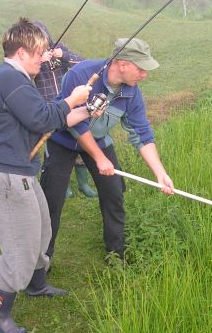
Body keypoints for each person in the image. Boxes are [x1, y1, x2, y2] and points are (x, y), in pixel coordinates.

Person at [0, 17, 94, 333]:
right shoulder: (11, 79)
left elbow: (41, 118)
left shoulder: (18, 80)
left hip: (18, 170)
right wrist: (72, 100)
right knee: (20, 245)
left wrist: (77, 113)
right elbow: (41, 116)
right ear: (22, 52)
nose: (44, 57)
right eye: (39, 52)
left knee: (41, 228)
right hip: (0, 175)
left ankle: (36, 285)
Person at [40, 37, 174, 265]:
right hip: (62, 140)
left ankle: (116, 255)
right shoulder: (81, 74)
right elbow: (76, 124)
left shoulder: (132, 93)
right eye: (141, 69)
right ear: (123, 64)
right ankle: (41, 263)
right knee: (51, 202)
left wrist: (159, 173)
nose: (144, 75)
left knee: (114, 195)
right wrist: (99, 158)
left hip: (99, 140)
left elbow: (142, 133)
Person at [32, 20, 97, 199]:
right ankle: (64, 184)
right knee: (56, 145)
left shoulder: (59, 48)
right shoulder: (32, 56)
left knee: (79, 140)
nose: (45, 45)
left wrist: (64, 55)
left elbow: (83, 64)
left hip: (71, 102)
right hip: (49, 106)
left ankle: (83, 184)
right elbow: (27, 76)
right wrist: (38, 59)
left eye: (46, 41)